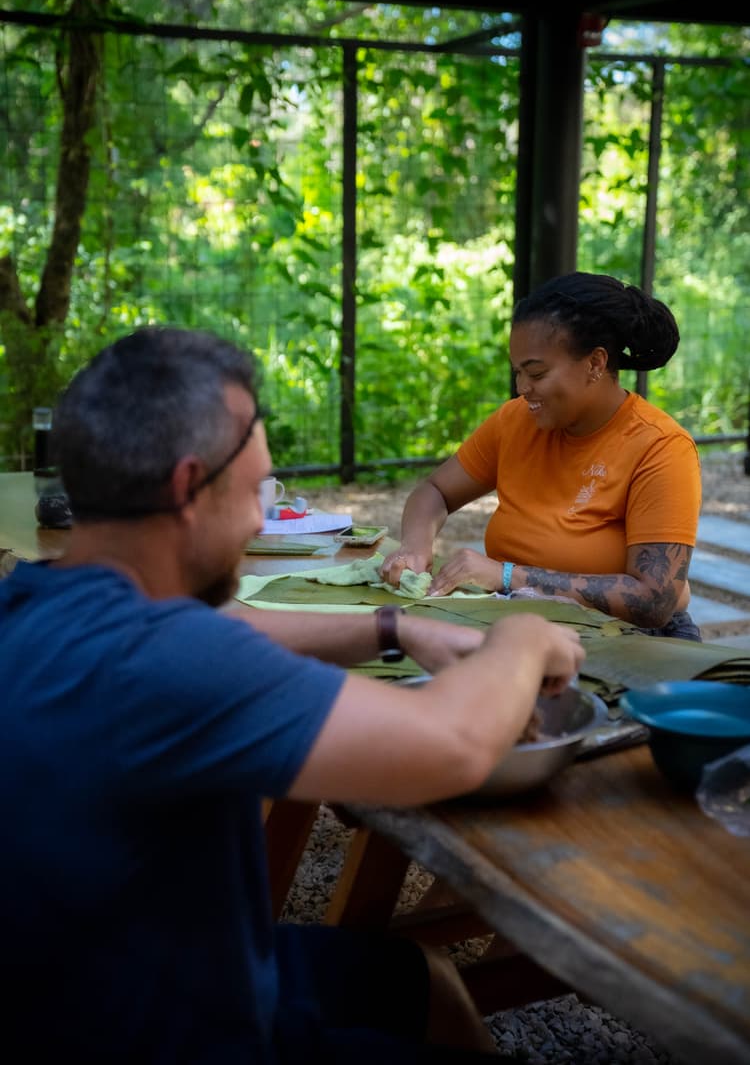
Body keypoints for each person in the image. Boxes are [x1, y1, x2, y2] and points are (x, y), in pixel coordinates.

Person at [0, 325, 584, 1064]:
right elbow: (456, 743)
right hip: (175, 1029)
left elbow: (229, 628)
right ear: (187, 488)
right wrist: (522, 637)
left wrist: (393, 627)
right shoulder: (170, 663)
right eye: (257, 493)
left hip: (111, 968)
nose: (258, 520)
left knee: (423, 978)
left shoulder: (35, 599)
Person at [380, 272, 702, 641]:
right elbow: (435, 490)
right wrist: (415, 547)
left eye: (536, 372)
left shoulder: (660, 446)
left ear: (596, 363)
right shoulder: (515, 420)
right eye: (518, 372)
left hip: (633, 641)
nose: (522, 388)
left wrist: (506, 575)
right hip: (526, 623)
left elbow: (655, 600)